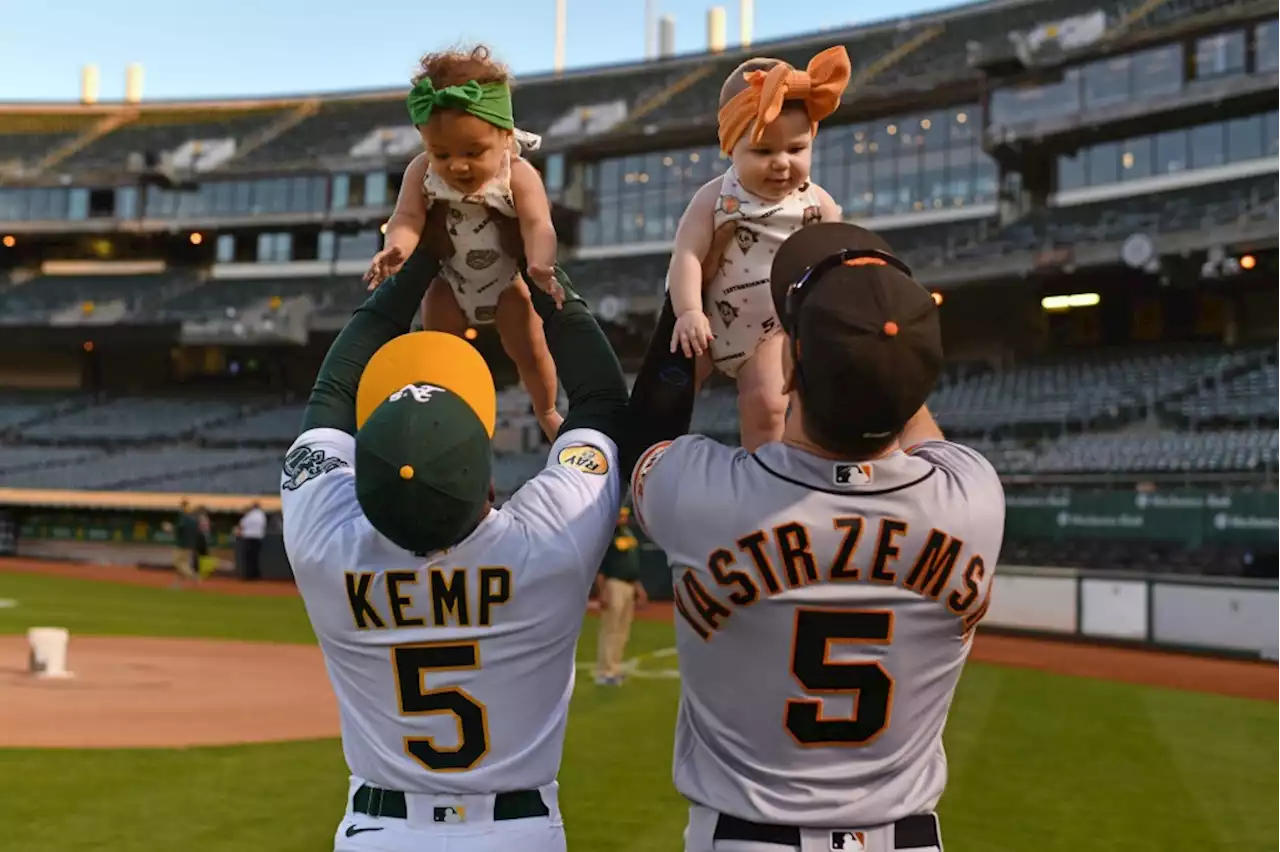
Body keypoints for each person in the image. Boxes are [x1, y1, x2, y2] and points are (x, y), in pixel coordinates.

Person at [280, 225, 685, 851]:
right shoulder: (552, 538)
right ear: (487, 486)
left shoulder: (323, 543)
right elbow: (602, 398)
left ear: (362, 482)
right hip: (516, 832)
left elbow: (332, 394)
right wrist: (538, 266)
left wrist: (417, 263)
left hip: (379, 832)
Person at [630, 222, 1007, 852]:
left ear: (792, 372)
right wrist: (873, 323)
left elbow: (642, 437)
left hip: (747, 839)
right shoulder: (973, 500)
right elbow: (914, 417)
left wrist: (688, 292)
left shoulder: (705, 495)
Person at [365, 44, 565, 442]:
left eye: (474, 152)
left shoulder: (519, 175)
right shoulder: (421, 172)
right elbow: (407, 217)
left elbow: (538, 223)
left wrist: (542, 263)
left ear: (506, 137)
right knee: (439, 351)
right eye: (442, 153)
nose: (457, 165)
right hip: (449, 283)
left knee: (530, 349)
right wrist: (398, 248)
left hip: (507, 284)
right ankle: (447, 419)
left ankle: (546, 409)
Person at [665, 46, 849, 451]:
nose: (782, 163)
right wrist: (689, 311)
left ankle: (763, 470)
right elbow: (688, 255)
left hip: (772, 331)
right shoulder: (716, 198)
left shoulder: (818, 204)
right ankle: (651, 453)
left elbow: (837, 266)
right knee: (665, 393)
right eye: (763, 152)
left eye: (796, 150)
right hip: (707, 326)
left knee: (766, 403)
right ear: (732, 148)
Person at [592, 505, 648, 686]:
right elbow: (600, 568)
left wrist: (639, 587)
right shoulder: (607, 535)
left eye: (624, 515)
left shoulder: (629, 534)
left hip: (629, 584)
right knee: (611, 628)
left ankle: (614, 668)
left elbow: (633, 563)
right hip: (613, 583)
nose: (622, 518)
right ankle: (604, 672)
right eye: (620, 515)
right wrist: (602, 592)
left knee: (622, 630)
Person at [235, 500, 267, 580]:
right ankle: (256, 575)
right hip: (258, 537)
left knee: (248, 558)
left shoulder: (249, 515)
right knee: (255, 558)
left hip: (248, 537)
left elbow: (241, 525)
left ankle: (248, 576)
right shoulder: (262, 515)